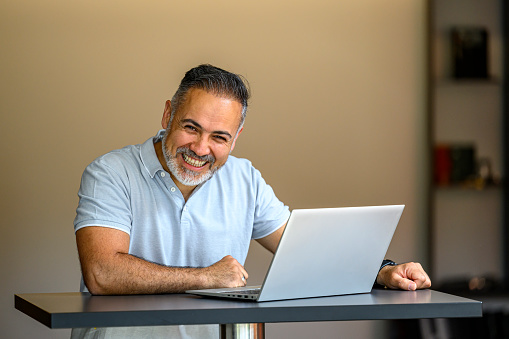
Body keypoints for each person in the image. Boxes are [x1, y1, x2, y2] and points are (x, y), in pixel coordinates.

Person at [71, 64, 431, 338]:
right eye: (191, 127)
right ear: (168, 115)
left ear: (237, 136)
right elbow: (103, 273)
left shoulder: (245, 178)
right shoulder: (110, 172)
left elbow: (309, 251)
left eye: (219, 136)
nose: (200, 148)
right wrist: (205, 278)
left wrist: (384, 272)